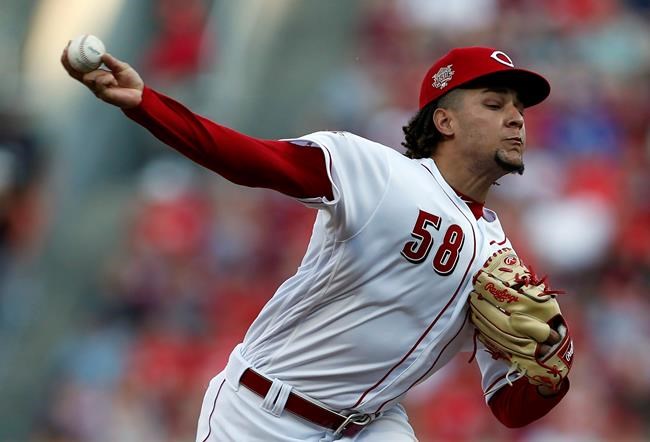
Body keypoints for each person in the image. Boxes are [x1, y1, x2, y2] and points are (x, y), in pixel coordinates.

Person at [61, 45, 571, 441]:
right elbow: (251, 160)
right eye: (494, 103)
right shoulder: (379, 173)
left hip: (372, 425)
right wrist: (149, 106)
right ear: (445, 121)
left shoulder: (499, 256)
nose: (516, 117)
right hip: (263, 412)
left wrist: (552, 366)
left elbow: (510, 408)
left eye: (518, 108)